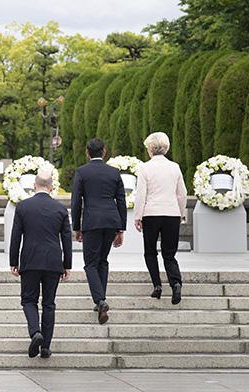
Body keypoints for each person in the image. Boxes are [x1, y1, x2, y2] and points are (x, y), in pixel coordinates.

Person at [10, 170, 72, 359]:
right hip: (53, 261)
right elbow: (66, 239)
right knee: (49, 303)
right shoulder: (60, 209)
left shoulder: (23, 207)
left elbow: (15, 237)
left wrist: (13, 261)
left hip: (30, 260)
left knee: (29, 300)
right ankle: (45, 347)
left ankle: (35, 332)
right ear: (52, 187)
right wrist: (67, 264)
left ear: (34, 186)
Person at [71, 138, 126, 325]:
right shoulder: (114, 172)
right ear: (104, 151)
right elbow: (121, 201)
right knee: (102, 260)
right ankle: (100, 299)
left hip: (92, 222)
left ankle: (100, 300)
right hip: (111, 221)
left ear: (87, 152)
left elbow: (76, 202)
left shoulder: (82, 172)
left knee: (90, 264)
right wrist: (121, 228)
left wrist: (76, 227)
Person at [134, 132, 187, 304]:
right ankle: (176, 282)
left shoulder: (145, 167)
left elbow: (141, 194)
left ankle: (157, 285)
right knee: (169, 253)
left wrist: (138, 216)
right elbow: (182, 194)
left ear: (150, 148)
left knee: (150, 251)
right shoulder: (175, 167)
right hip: (171, 213)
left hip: (151, 213)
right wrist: (181, 213)